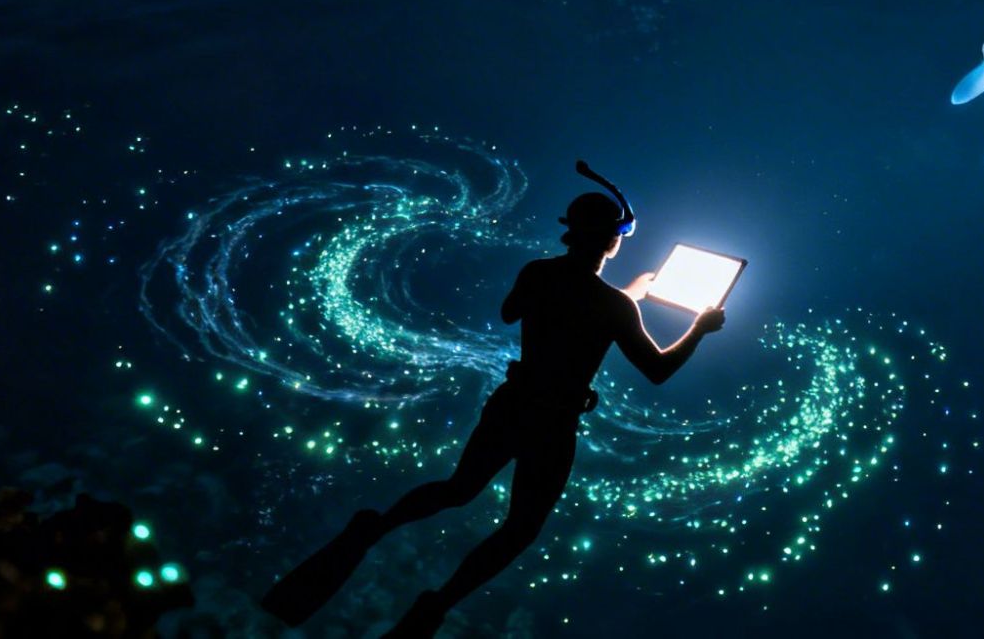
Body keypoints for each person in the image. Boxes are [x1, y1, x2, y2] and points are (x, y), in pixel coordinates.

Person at [260, 171, 727, 638]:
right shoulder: (615, 308)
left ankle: (375, 527)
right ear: (611, 241)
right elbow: (658, 369)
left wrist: (622, 297)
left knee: (458, 487)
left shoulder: (540, 273)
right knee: (521, 529)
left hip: (513, 403)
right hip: (553, 422)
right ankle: (436, 606)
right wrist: (698, 329)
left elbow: (514, 312)